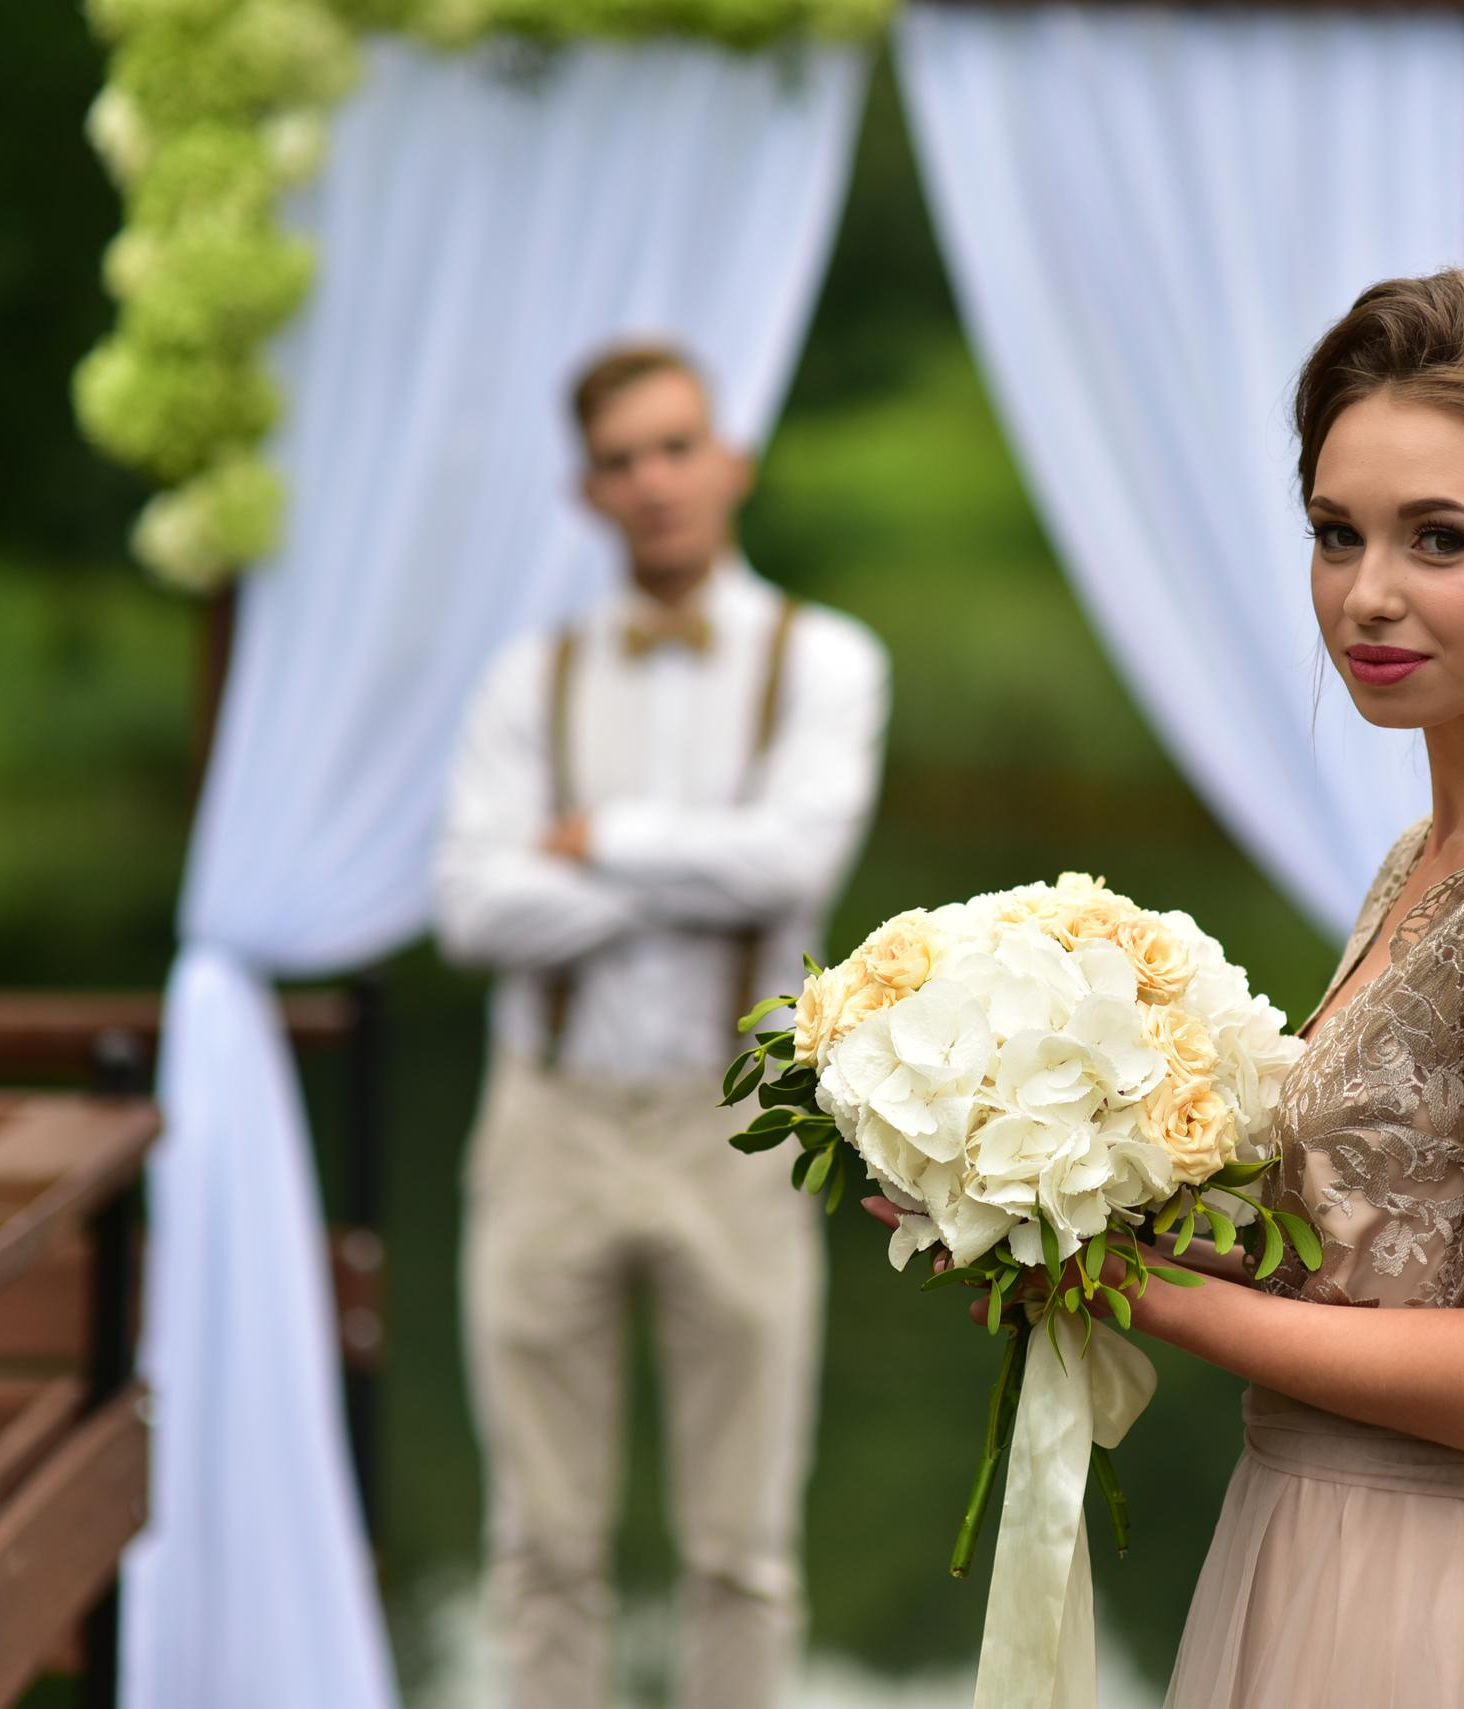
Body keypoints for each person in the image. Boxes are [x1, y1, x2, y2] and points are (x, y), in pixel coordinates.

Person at [876, 263, 1464, 1705]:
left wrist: (1130, 1288)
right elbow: (1377, 1254)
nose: (1367, 593)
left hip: (1443, 1605)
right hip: (1319, 1534)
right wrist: (1039, 1190)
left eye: (1439, 539)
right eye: (1338, 533)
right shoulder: (1428, 859)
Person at [435, 341, 890, 1709]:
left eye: (676, 446)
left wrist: (593, 845)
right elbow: (468, 909)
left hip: (736, 1127)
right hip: (546, 1119)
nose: (654, 481)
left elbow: (792, 865)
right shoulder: (532, 675)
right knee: (540, 1542)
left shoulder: (828, 661)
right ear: (587, 490)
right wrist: (681, 874)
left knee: (743, 1548)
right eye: (623, 459)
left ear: (730, 459)